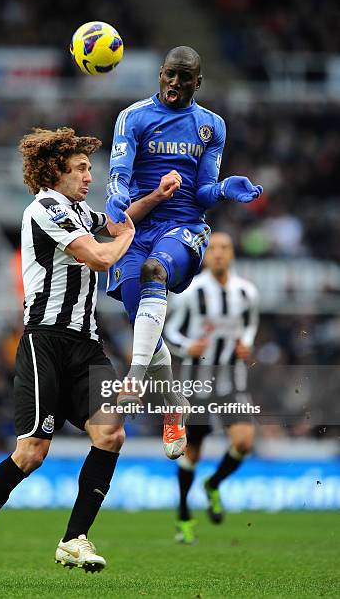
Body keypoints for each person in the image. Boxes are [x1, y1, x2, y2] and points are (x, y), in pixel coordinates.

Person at [0, 127, 179, 585]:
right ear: (55, 172)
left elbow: (116, 222)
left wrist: (154, 195)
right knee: (32, 453)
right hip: (45, 341)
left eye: (90, 168)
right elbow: (100, 255)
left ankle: (75, 538)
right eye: (80, 168)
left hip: (86, 343)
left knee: (111, 433)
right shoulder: (46, 207)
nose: (89, 175)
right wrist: (126, 240)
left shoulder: (76, 209)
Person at [105, 45, 263, 459]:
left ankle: (135, 378)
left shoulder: (211, 127)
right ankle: (174, 406)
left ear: (199, 82)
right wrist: (117, 198)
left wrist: (226, 188)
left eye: (184, 77)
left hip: (183, 228)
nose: (175, 83)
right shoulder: (134, 117)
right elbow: (119, 174)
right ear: (161, 73)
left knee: (155, 271)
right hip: (137, 229)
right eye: (170, 75)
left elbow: (204, 191)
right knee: (145, 322)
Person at [164, 232, 259, 544]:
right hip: (197, 383)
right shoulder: (191, 292)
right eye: (213, 248)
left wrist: (246, 345)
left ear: (232, 254)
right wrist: (188, 347)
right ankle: (183, 514)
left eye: (225, 248)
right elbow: (170, 331)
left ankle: (214, 483)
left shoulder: (246, 292)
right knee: (192, 451)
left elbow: (249, 326)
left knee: (244, 441)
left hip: (233, 381)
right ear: (206, 255)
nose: (218, 253)